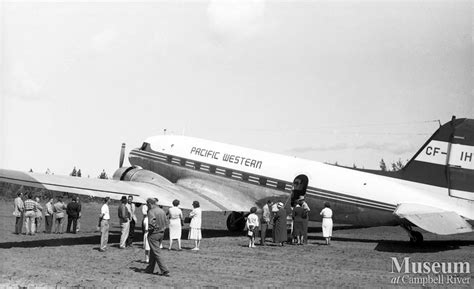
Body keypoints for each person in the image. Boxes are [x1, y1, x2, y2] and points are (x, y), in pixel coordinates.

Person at [144, 198, 170, 277]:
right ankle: (150, 269)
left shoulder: (151, 211)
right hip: (161, 233)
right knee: (153, 251)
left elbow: (152, 223)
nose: (147, 206)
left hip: (154, 234)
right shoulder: (161, 211)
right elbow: (166, 222)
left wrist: (150, 229)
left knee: (156, 252)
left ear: (150, 203)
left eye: (147, 204)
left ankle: (164, 269)